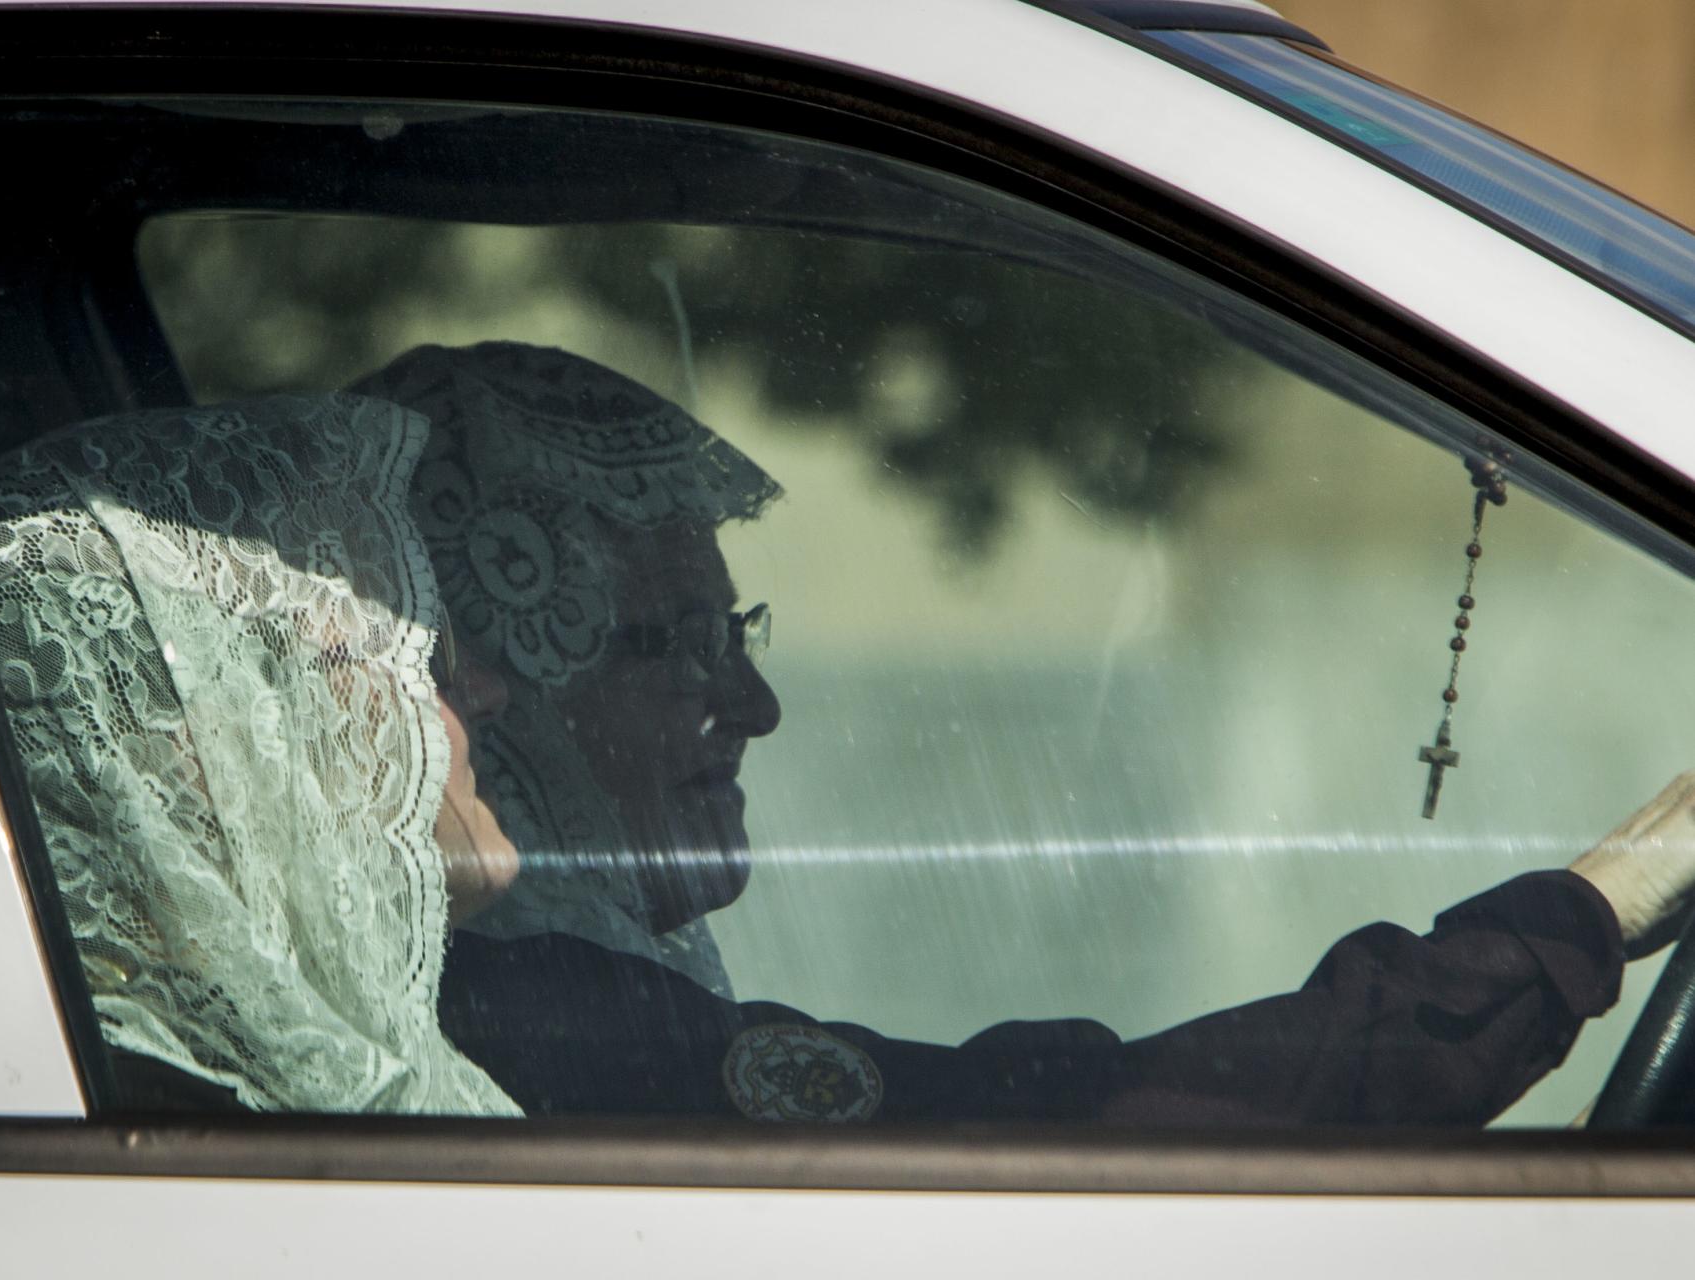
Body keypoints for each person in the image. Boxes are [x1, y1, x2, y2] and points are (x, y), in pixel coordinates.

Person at [352, 341, 1695, 1126]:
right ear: (494, 675)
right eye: (678, 648)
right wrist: (1569, 924)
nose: (753, 705)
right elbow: (1078, 1129)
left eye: (735, 635)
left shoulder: (479, 1004)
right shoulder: (530, 1027)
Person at [0, 393, 521, 1114]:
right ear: (204, 748)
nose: (488, 691)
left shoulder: (368, 1068)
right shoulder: (153, 1117)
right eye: (418, 653)